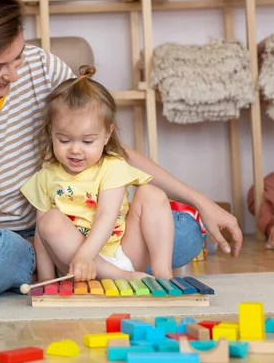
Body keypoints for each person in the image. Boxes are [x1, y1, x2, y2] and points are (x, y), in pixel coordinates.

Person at [0, 0, 243, 299]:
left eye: (17, 57)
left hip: (61, 229)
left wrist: (202, 202)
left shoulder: (40, 68)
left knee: (183, 231)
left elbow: (106, 151)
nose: (13, 74)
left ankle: (64, 267)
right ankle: (66, 266)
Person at [20, 65, 174, 283]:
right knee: (48, 222)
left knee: (152, 193)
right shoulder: (46, 176)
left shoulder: (113, 165)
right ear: (51, 133)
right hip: (76, 265)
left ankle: (163, 274)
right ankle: (123, 278)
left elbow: (106, 216)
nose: (75, 149)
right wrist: (45, 282)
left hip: (122, 254)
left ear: (107, 135)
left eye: (87, 141)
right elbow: (42, 237)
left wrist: (87, 255)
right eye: (64, 140)